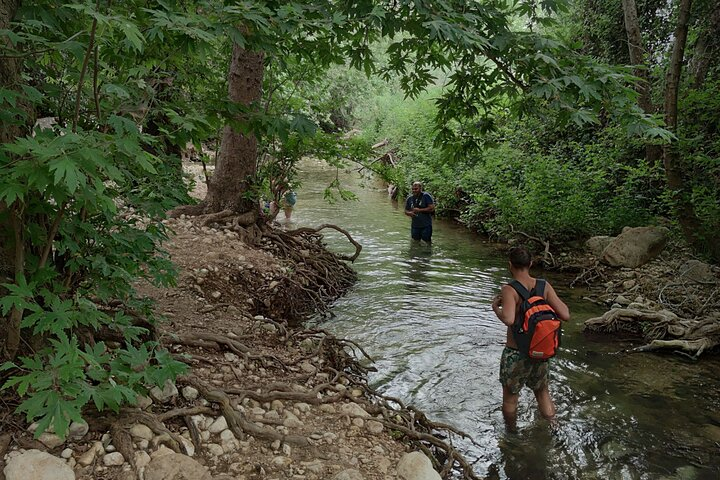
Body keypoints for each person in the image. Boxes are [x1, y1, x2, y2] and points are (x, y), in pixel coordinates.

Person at [491, 246, 570, 432]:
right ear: (530, 264)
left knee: (511, 398)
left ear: (510, 265)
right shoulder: (544, 286)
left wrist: (496, 308)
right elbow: (565, 314)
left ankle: (511, 434)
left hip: (516, 353)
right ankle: (554, 426)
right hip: (541, 352)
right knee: (542, 392)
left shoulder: (509, 289)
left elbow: (509, 319)